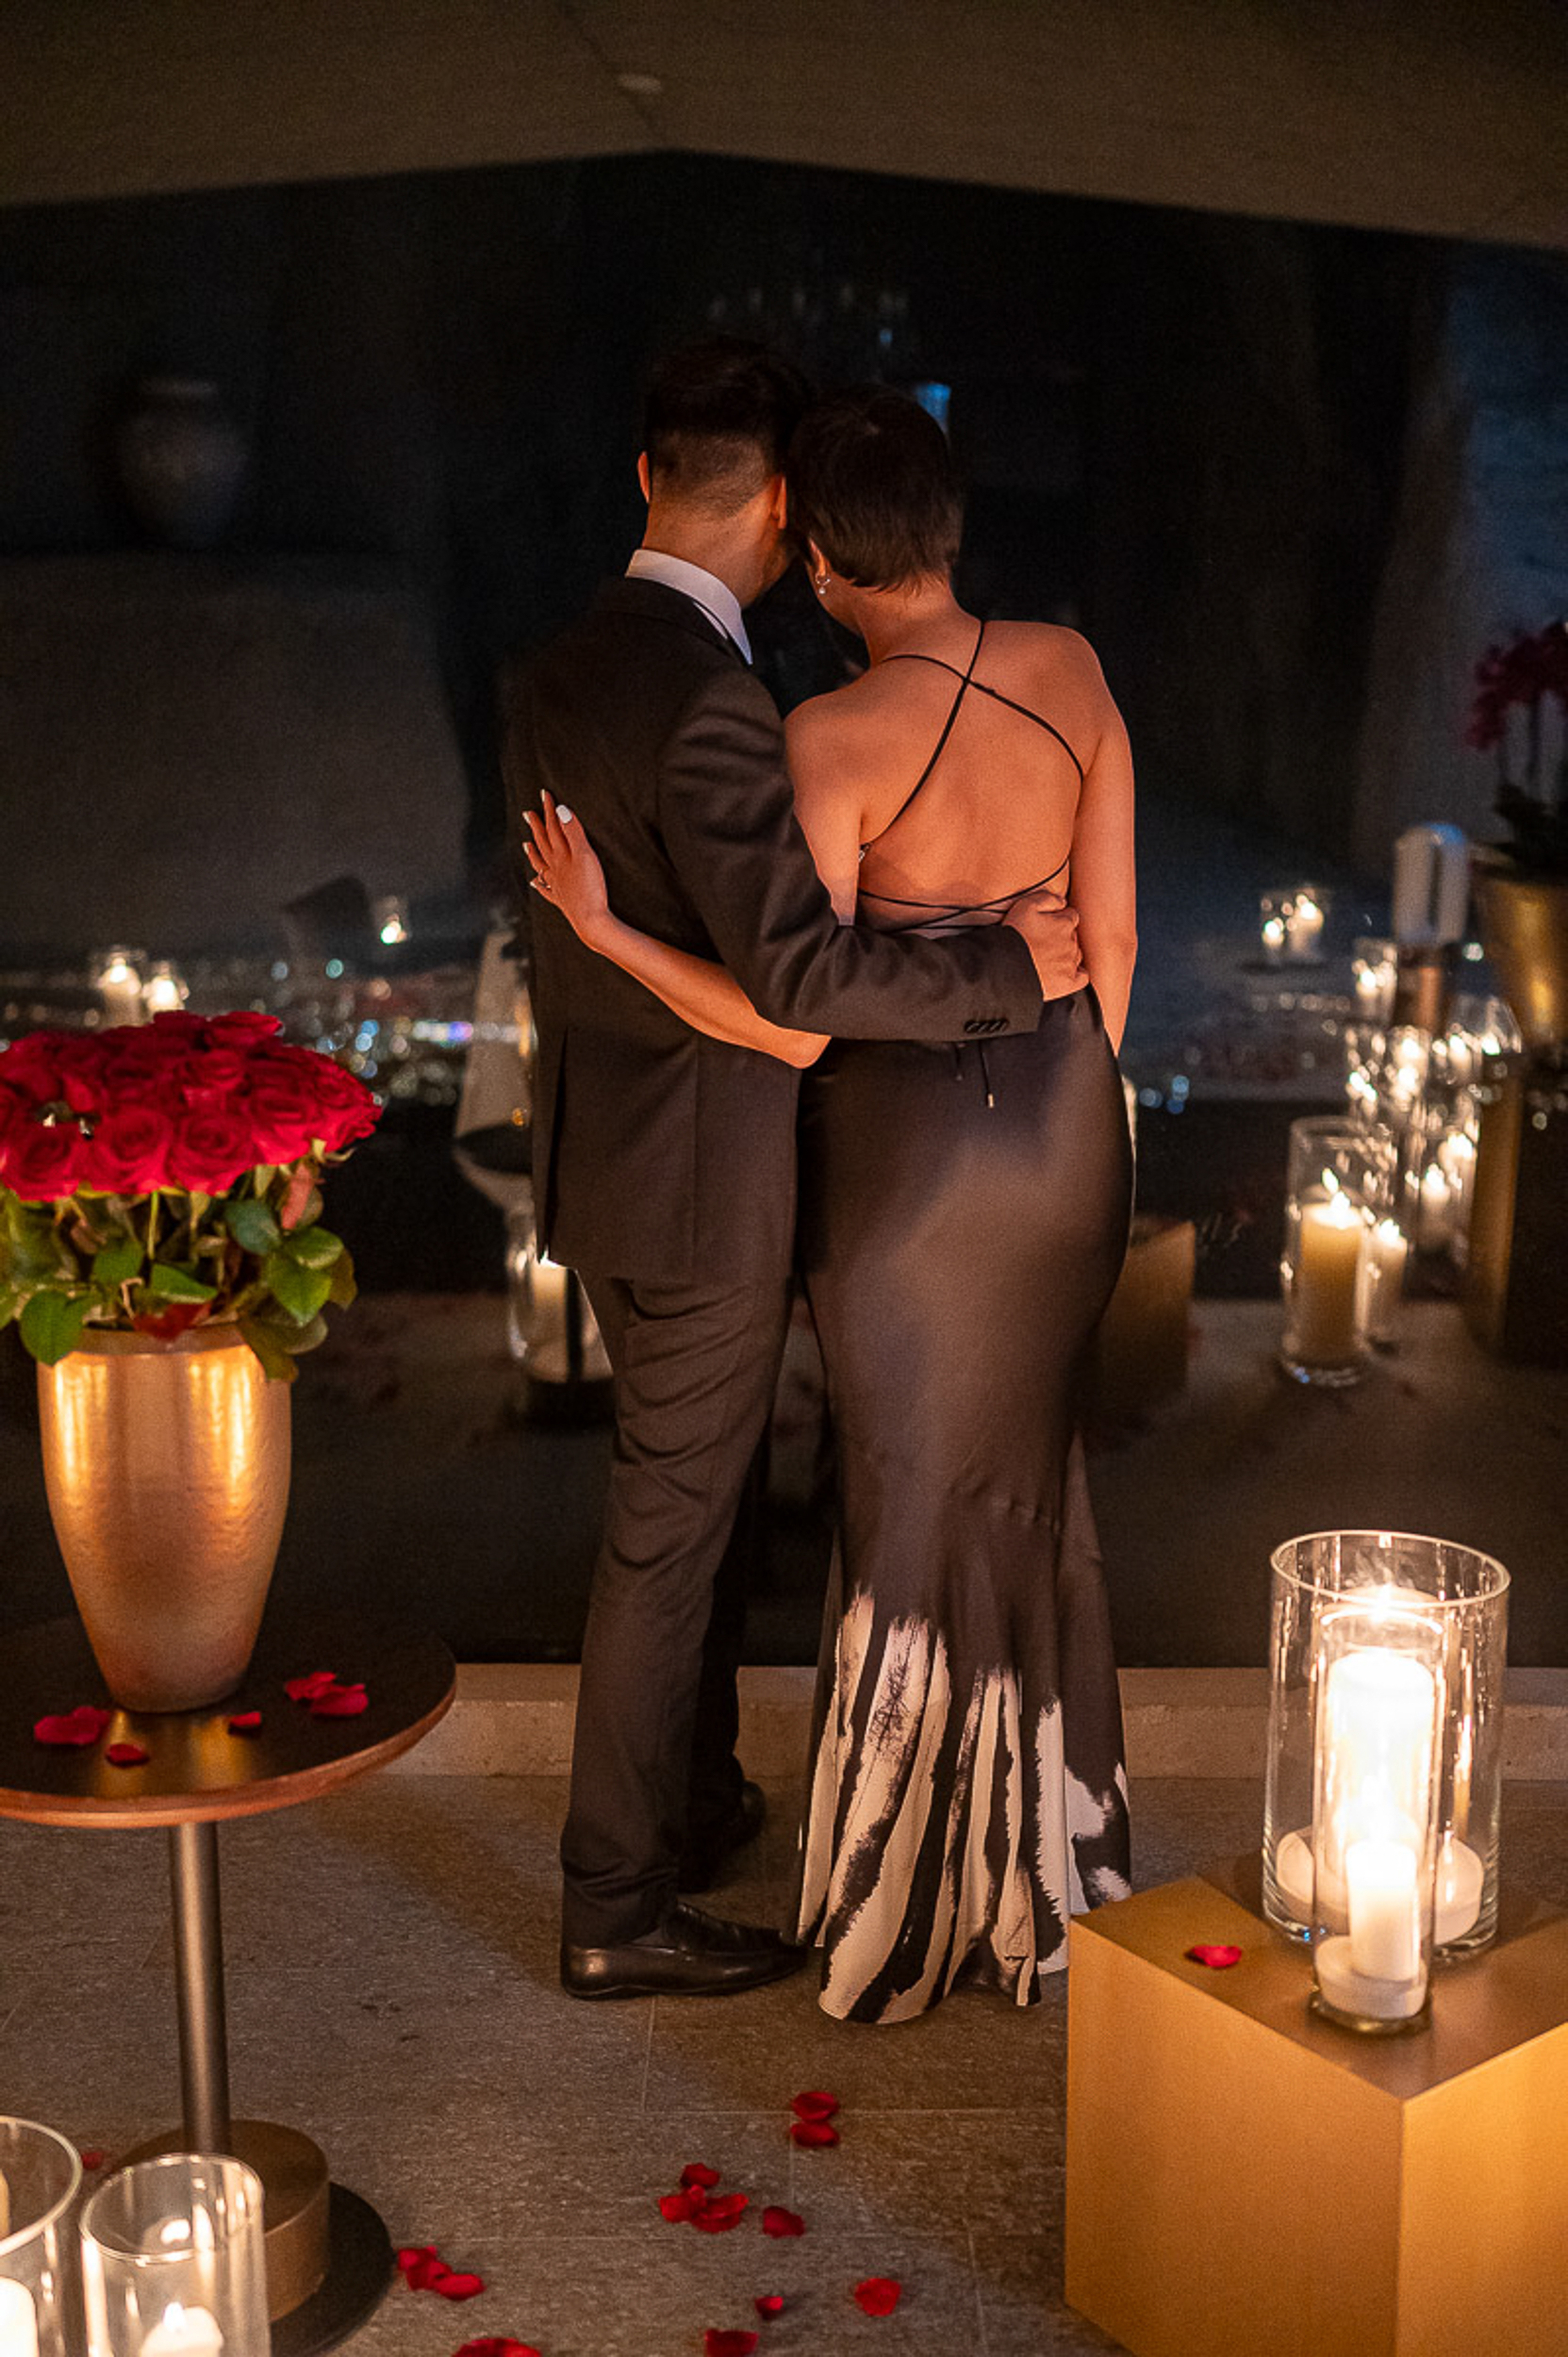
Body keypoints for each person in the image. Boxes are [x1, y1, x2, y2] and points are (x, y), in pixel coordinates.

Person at [526, 382, 1137, 2023]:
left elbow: (792, 1014)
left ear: (820, 558)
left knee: (880, 1498)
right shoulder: (1072, 668)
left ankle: (886, 1880)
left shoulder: (767, 721)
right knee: (1019, 1490)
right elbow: (1115, 949)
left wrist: (605, 933)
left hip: (856, 1174)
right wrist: (1059, 1090)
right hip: (1060, 1141)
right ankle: (1036, 1861)